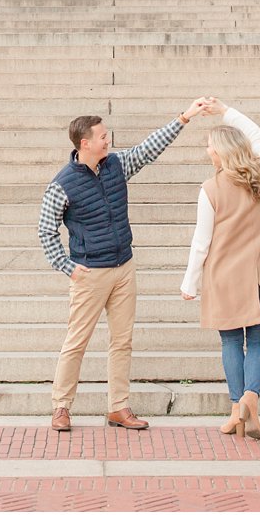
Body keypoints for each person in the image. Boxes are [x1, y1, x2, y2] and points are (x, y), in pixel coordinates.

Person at [40, 97, 212, 432]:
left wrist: (185, 117)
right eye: (102, 136)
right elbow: (46, 230)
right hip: (89, 272)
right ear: (85, 143)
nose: (109, 140)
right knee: (77, 341)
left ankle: (118, 407)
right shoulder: (62, 184)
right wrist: (67, 266)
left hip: (123, 267)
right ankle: (61, 407)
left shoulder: (116, 164)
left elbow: (149, 148)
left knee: (122, 341)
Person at [180, 98, 260, 440]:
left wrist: (190, 281)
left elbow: (201, 241)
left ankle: (238, 405)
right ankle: (252, 399)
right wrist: (224, 111)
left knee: (232, 342)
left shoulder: (211, 189)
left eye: (209, 146)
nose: (207, 151)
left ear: (219, 153)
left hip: (227, 277)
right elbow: (258, 134)